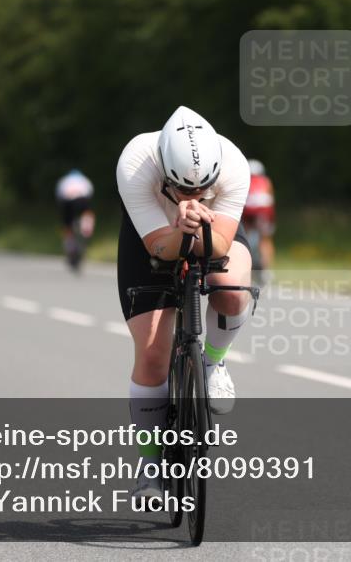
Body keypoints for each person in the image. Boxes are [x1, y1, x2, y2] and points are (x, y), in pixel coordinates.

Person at [116, 106, 253, 504]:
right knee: (154, 351)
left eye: (201, 189)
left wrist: (196, 219)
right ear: (164, 173)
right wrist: (178, 223)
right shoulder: (136, 162)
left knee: (231, 291)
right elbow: (159, 247)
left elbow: (222, 247)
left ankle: (214, 359)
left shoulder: (234, 165)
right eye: (183, 190)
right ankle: (149, 465)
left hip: (212, 231)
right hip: (154, 236)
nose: (193, 197)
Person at [242, 158, 275, 274]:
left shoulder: (244, 181)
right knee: (265, 240)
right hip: (264, 212)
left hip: (247, 212)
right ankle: (265, 269)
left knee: (243, 238)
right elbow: (270, 200)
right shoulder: (266, 182)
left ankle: (244, 266)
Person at [55, 168, 95, 246]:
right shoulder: (84, 179)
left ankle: (69, 241)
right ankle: (87, 227)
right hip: (81, 199)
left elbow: (58, 195)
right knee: (87, 211)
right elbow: (90, 193)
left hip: (66, 201)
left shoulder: (64, 180)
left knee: (67, 222)